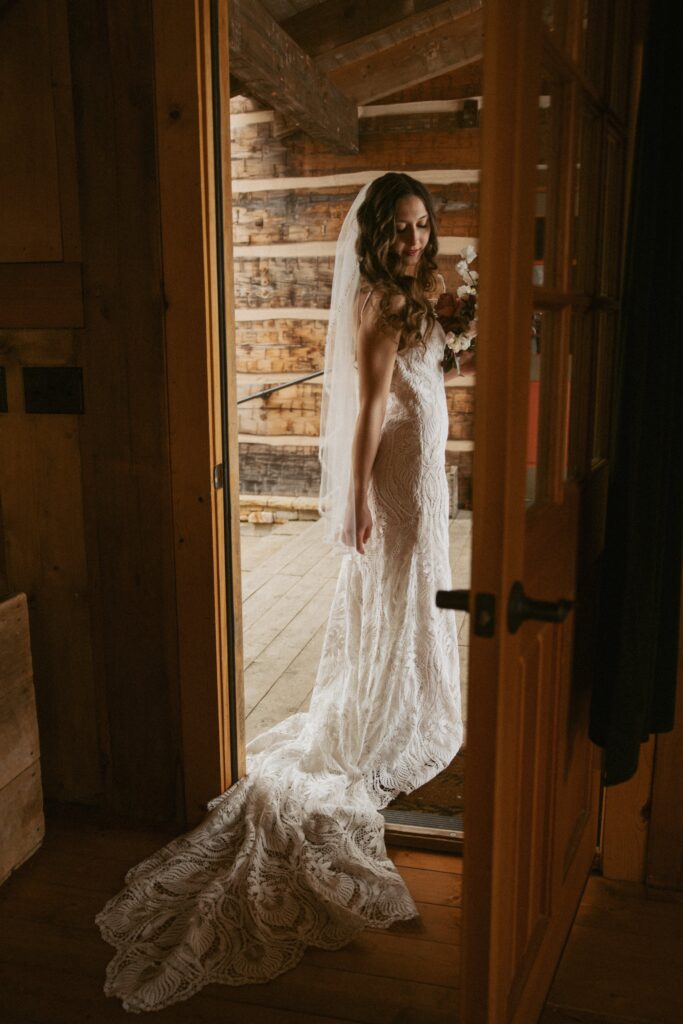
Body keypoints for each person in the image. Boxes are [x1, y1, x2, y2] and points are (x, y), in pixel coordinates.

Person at [95, 172, 463, 1013]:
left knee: (418, 594)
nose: (412, 240)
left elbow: (421, 389)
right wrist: (355, 502)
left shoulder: (418, 297)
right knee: (392, 593)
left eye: (420, 227)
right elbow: (370, 406)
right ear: (376, 235)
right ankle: (377, 713)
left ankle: (411, 692)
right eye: (400, 229)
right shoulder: (376, 301)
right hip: (396, 486)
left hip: (427, 480)